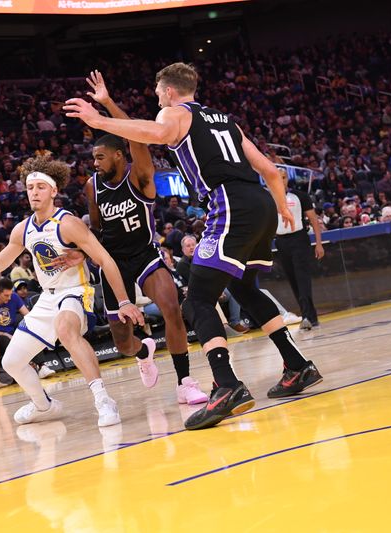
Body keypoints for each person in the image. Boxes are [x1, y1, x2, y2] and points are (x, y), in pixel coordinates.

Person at [64, 62, 322, 430]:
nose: (156, 100)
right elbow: (268, 168)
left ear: (169, 91)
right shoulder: (225, 119)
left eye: (156, 94)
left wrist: (99, 119)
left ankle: (227, 386)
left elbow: (152, 133)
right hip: (260, 202)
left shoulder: (174, 112)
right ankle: (297, 366)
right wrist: (279, 204)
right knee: (243, 287)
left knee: (197, 299)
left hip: (229, 203)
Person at [0, 155, 144, 427]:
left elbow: (105, 259)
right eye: (30, 187)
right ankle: (44, 406)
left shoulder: (67, 223)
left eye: (41, 187)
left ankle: (103, 400)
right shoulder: (23, 229)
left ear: (54, 191)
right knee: (12, 362)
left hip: (76, 291)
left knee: (66, 328)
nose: (34, 192)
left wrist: (124, 300)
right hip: (48, 296)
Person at [74, 70, 207, 404]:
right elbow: (95, 228)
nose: (95, 162)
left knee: (171, 308)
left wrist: (107, 104)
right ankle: (142, 351)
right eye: (93, 158)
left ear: (119, 154)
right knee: (122, 341)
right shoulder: (93, 185)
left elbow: (138, 137)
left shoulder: (140, 176)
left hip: (145, 253)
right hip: (111, 262)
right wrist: (83, 250)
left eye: (100, 156)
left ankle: (185, 381)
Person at [275, 168, 324, 330]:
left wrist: (318, 243)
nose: (280, 180)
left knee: (302, 279)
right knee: (293, 280)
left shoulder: (300, 196)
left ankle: (307, 316)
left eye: (283, 177)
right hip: (281, 242)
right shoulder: (270, 198)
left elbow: (314, 220)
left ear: (287, 179)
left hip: (299, 240)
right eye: (277, 177)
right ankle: (311, 316)